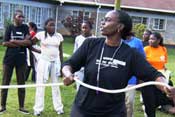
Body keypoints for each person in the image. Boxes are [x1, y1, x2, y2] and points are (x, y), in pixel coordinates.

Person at [62, 10, 175, 117]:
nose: (103, 22)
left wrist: (166, 87)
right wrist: (67, 73)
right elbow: (69, 63)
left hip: (113, 112)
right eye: (104, 19)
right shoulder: (90, 44)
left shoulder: (131, 54)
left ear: (119, 27)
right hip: (83, 109)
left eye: (108, 20)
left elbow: (154, 75)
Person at [0, 10, 31, 114]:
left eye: (23, 16)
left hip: (21, 60)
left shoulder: (25, 28)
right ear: (14, 17)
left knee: (21, 83)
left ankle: (21, 107)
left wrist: (14, 41)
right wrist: (21, 44)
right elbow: (4, 43)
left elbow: (28, 42)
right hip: (9, 60)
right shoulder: (9, 27)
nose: (22, 18)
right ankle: (2, 106)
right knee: (5, 83)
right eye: (19, 16)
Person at [33, 18, 64, 116]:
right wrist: (40, 52)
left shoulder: (59, 36)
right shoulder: (41, 34)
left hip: (55, 62)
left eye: (54, 25)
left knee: (55, 85)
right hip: (43, 62)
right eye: (50, 25)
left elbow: (61, 51)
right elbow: (30, 43)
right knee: (40, 85)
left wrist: (62, 65)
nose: (53, 27)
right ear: (45, 26)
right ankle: (38, 109)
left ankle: (59, 108)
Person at [141, 32, 175, 117]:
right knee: (151, 95)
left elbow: (163, 62)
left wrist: (165, 69)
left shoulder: (163, 49)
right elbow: (142, 63)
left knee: (166, 90)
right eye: (149, 39)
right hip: (150, 74)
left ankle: (162, 105)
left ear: (159, 40)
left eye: (152, 39)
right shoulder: (146, 49)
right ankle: (150, 106)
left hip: (162, 74)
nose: (150, 41)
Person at [124, 32, 145, 117]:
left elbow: (142, 59)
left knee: (129, 102)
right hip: (115, 77)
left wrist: (140, 76)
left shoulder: (137, 42)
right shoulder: (116, 40)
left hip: (131, 78)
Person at [73, 21, 95, 90]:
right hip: (79, 68)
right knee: (79, 88)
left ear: (90, 28)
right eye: (83, 28)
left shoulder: (95, 39)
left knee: (89, 88)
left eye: (86, 28)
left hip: (90, 67)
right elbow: (75, 53)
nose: (84, 30)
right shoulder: (78, 38)